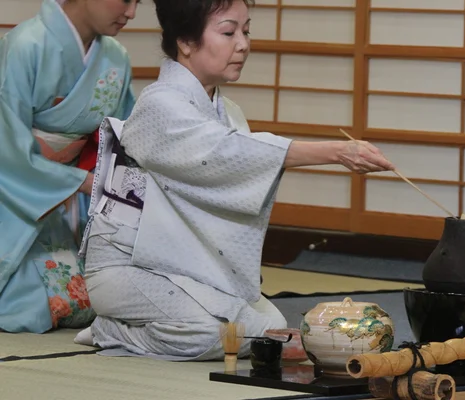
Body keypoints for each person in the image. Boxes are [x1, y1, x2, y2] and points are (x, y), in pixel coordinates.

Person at [74, 0, 395, 361]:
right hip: (128, 265)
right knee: (210, 333)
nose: (242, 44)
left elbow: (231, 173)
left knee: (270, 323)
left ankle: (204, 324)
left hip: (184, 265)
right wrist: (333, 152)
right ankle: (109, 330)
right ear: (185, 42)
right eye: (228, 32)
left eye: (246, 31)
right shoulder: (158, 106)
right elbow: (223, 154)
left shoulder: (229, 113)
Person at [0, 0, 139, 333]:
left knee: (106, 296)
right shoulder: (24, 46)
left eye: (139, 2)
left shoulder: (116, 57)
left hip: (79, 201)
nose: (132, 12)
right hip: (16, 195)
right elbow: (6, 150)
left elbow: (122, 139)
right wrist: (80, 181)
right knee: (34, 305)